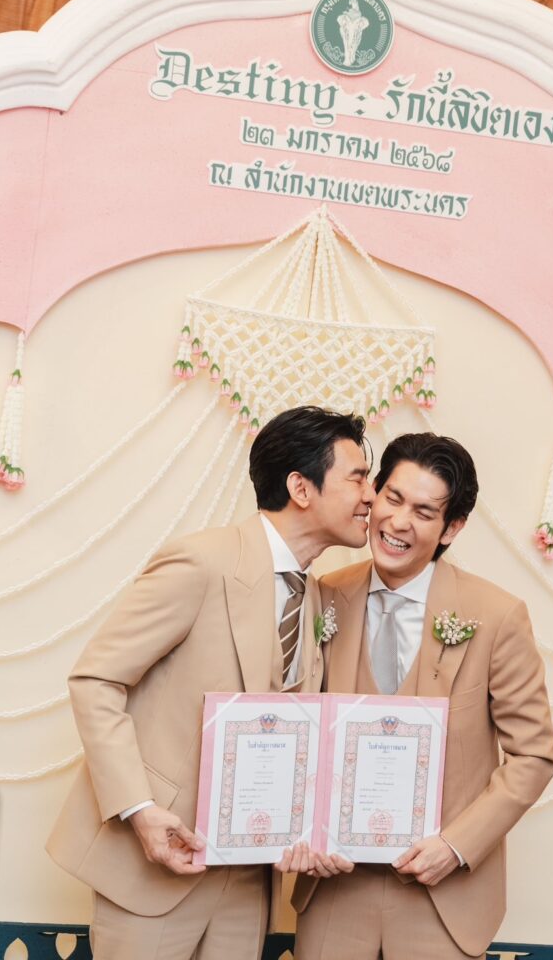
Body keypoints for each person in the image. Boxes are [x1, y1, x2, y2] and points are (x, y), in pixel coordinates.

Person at [47, 405, 374, 960]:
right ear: (301, 488)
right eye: (358, 478)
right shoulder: (200, 562)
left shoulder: (315, 595)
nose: (371, 496)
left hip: (248, 881)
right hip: (153, 865)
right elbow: (95, 679)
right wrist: (139, 811)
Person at [292, 432, 553, 960]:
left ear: (451, 527)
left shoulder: (497, 615)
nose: (398, 523)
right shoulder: (324, 595)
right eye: (391, 499)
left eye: (423, 512)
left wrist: (456, 846)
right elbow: (298, 725)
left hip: (443, 896)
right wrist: (304, 830)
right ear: (373, 496)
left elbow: (534, 755)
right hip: (335, 889)